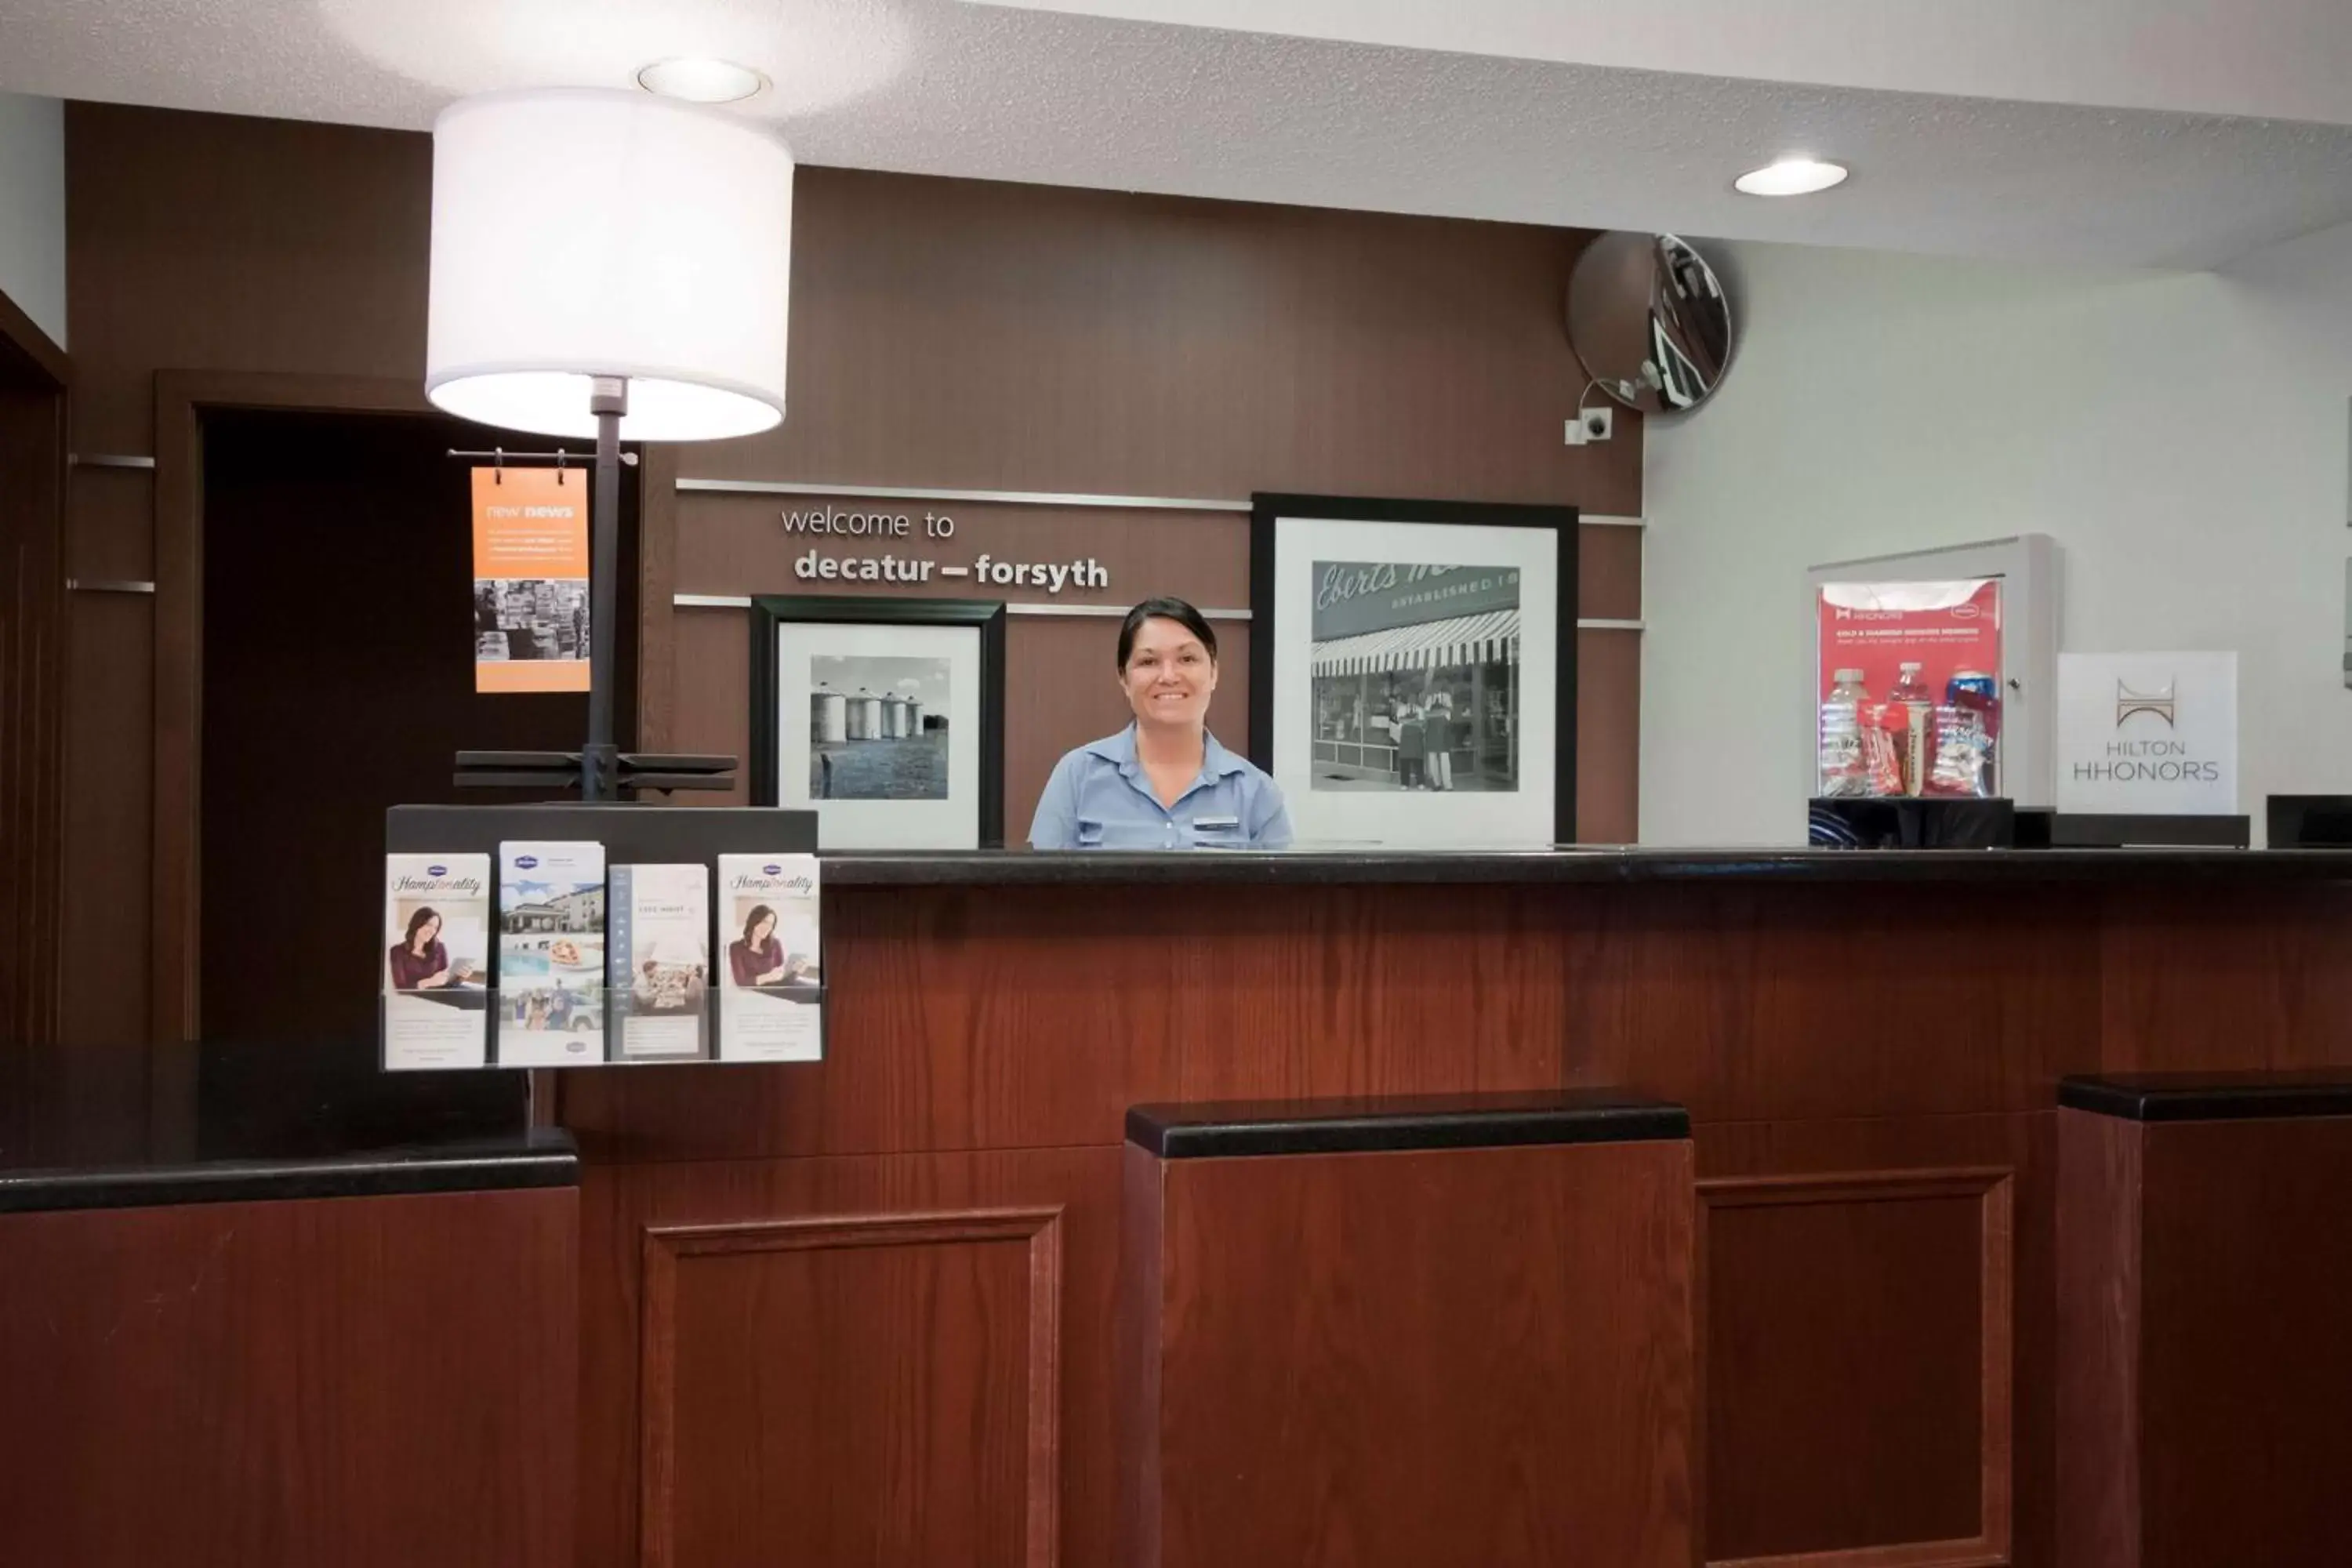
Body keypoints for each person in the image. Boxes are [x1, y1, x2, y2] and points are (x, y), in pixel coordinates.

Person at [1029, 596, 1291, 850]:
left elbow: (1282, 895)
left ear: (1213, 672)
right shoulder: (1077, 775)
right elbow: (1039, 889)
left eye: (1187, 659)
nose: (1168, 676)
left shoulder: (1257, 792)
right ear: (1123, 678)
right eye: (1149, 661)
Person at [387, 907, 463, 991]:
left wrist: (460, 977)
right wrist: (429, 982)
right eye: (429, 925)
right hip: (413, 999)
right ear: (417, 924)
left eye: (435, 928)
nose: (432, 931)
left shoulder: (439, 948)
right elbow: (400, 987)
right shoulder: (398, 951)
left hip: (438, 997)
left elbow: (446, 983)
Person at [728, 905, 791, 987]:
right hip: (762, 991)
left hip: (778, 986)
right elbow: (741, 981)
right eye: (765, 922)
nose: (767, 927)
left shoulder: (775, 943)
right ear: (754, 921)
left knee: (811, 990)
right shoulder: (736, 948)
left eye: (771, 924)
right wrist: (768, 977)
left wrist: (795, 972)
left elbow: (782, 973)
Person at [1425, 693, 1454, 792]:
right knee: (1432, 758)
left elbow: (1449, 710)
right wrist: (1440, 712)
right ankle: (1437, 784)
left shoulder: (1446, 696)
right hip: (1432, 731)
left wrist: (1433, 713)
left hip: (1443, 731)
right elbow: (1426, 714)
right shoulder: (1429, 698)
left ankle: (1448, 785)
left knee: (1445, 758)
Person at [1396, 702, 1426, 790]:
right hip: (1405, 739)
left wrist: (1407, 721)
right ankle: (1404, 783)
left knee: (1418, 762)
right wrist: (1414, 720)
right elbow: (1400, 721)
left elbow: (1421, 724)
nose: (1411, 699)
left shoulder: (1421, 710)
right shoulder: (1401, 709)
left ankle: (1420, 782)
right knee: (1404, 762)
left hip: (1416, 739)